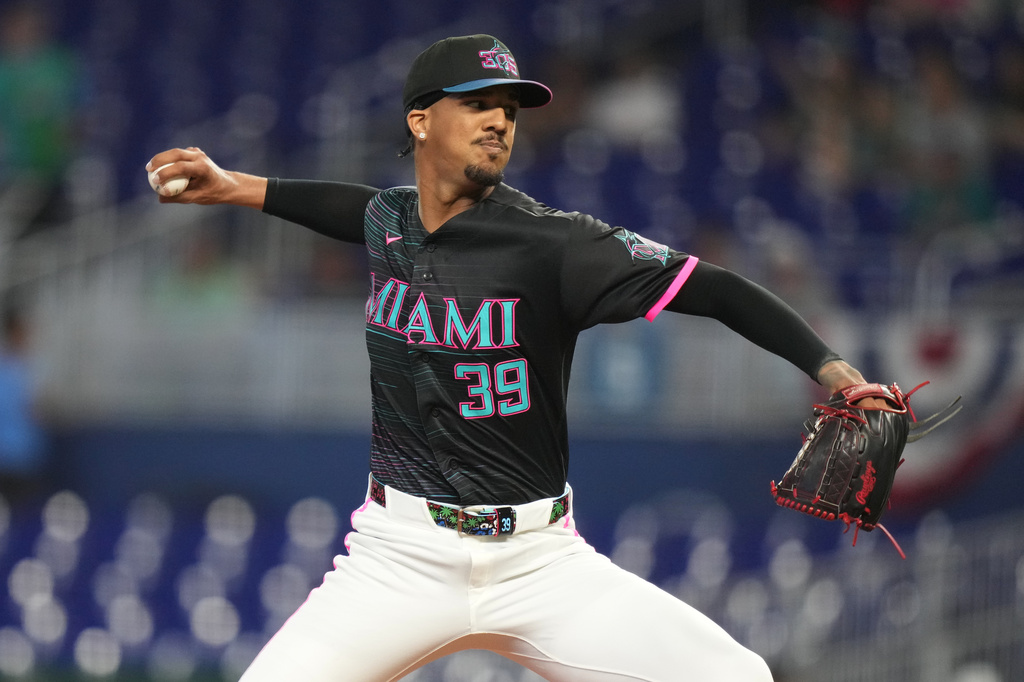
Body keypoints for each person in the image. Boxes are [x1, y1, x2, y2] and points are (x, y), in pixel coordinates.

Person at [148, 34, 880, 682]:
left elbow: (715, 288)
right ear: (421, 119)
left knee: (738, 677)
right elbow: (345, 206)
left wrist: (833, 369)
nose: (500, 120)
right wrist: (235, 186)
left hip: (538, 560)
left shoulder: (555, 244)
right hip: (399, 554)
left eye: (510, 108)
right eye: (478, 103)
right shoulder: (389, 221)